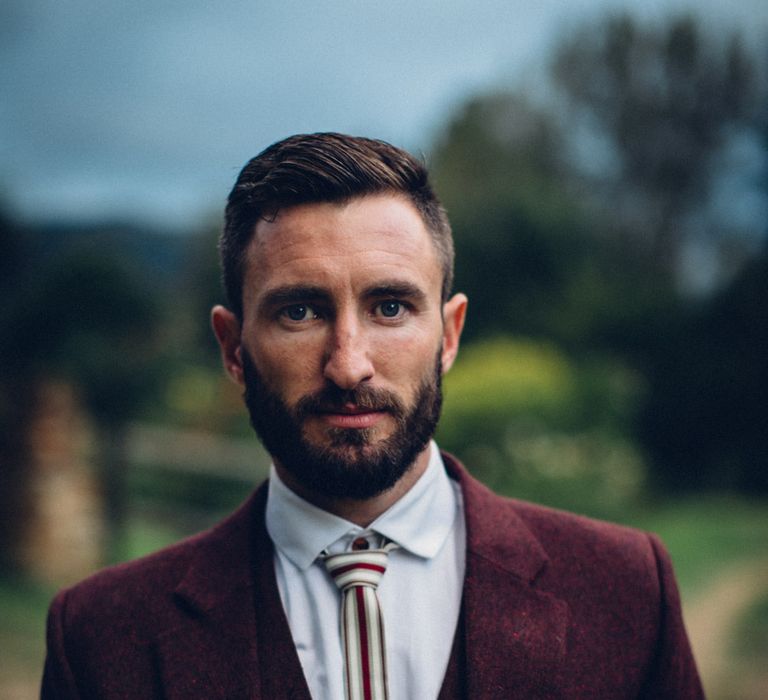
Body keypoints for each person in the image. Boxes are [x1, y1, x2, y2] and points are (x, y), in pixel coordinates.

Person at [41, 133, 703, 699]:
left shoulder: (628, 593)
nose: (349, 364)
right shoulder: (99, 638)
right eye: (300, 311)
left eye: (389, 307)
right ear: (233, 348)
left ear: (448, 335)